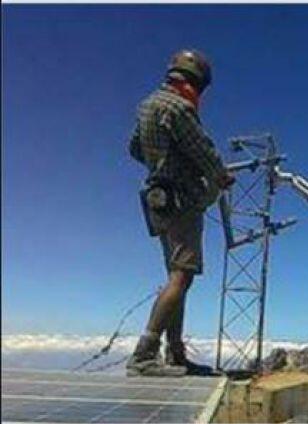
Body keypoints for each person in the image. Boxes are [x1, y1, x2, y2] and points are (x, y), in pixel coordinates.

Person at [126, 49, 235, 377]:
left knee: (177, 275)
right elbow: (202, 149)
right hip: (181, 201)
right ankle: (144, 354)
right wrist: (221, 176)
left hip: (157, 199)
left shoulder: (146, 105)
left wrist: (159, 164)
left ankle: (175, 355)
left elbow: (134, 148)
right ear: (196, 82)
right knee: (182, 276)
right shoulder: (178, 106)